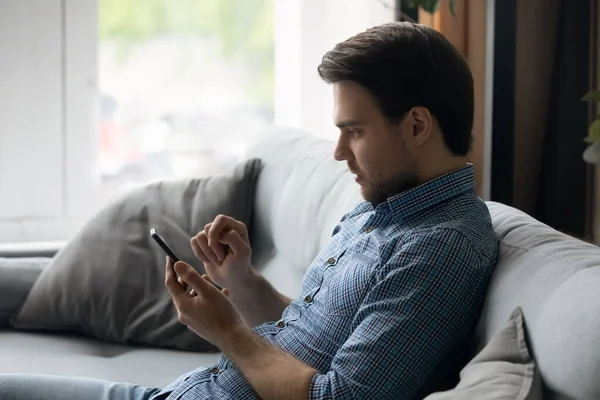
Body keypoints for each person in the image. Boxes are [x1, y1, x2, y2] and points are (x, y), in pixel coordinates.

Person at [0, 21, 498, 400]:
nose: (340, 152)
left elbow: (339, 395)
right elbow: (308, 334)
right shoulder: (382, 209)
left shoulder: (443, 246)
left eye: (356, 131)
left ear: (416, 126)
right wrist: (242, 282)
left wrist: (226, 330)